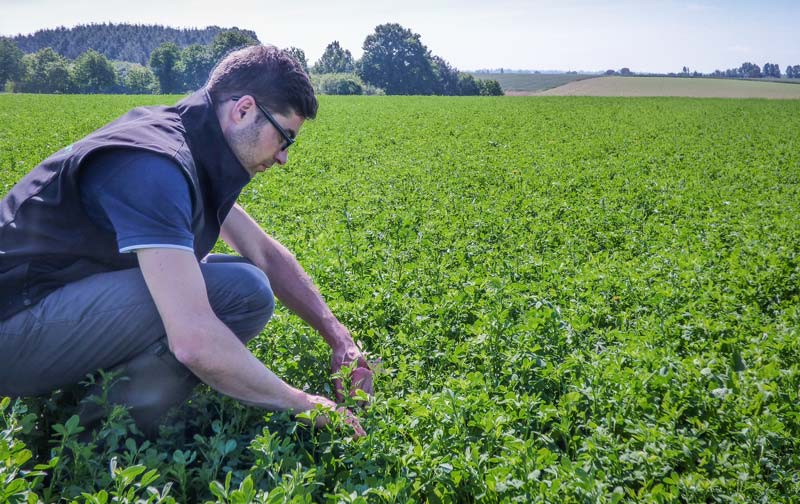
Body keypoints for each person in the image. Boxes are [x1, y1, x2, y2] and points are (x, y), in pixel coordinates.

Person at [0, 45, 372, 437]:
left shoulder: (192, 144)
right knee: (238, 292)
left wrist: (341, 341)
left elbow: (263, 253)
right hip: (13, 325)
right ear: (243, 109)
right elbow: (194, 339)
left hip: (43, 305)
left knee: (247, 286)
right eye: (285, 139)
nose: (283, 159)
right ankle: (96, 426)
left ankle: (93, 407)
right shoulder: (157, 164)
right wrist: (303, 404)